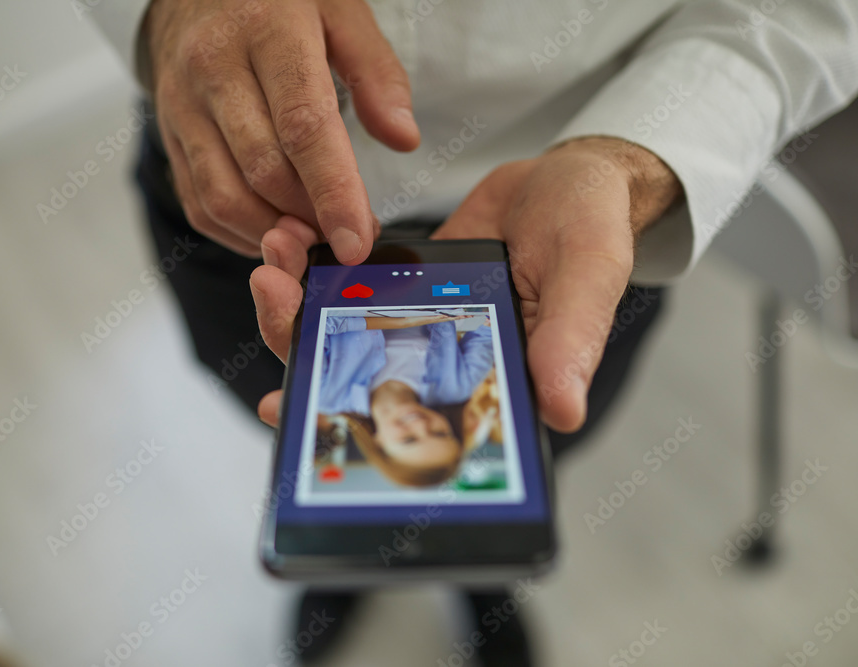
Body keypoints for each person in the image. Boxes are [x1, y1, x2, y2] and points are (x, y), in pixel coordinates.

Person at [91, 1, 858, 664]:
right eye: (428, 429)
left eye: (407, 432)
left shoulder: (410, 395)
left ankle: (479, 580)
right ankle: (347, 565)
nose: (411, 419)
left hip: (574, 204)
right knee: (294, 431)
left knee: (514, 469)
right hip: (245, 183)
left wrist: (632, 164)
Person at [319, 313, 492, 486]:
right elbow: (494, 323)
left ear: (378, 443)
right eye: (440, 433)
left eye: (408, 439)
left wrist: (401, 321)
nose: (421, 425)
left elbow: (315, 326)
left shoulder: (327, 396)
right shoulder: (458, 387)